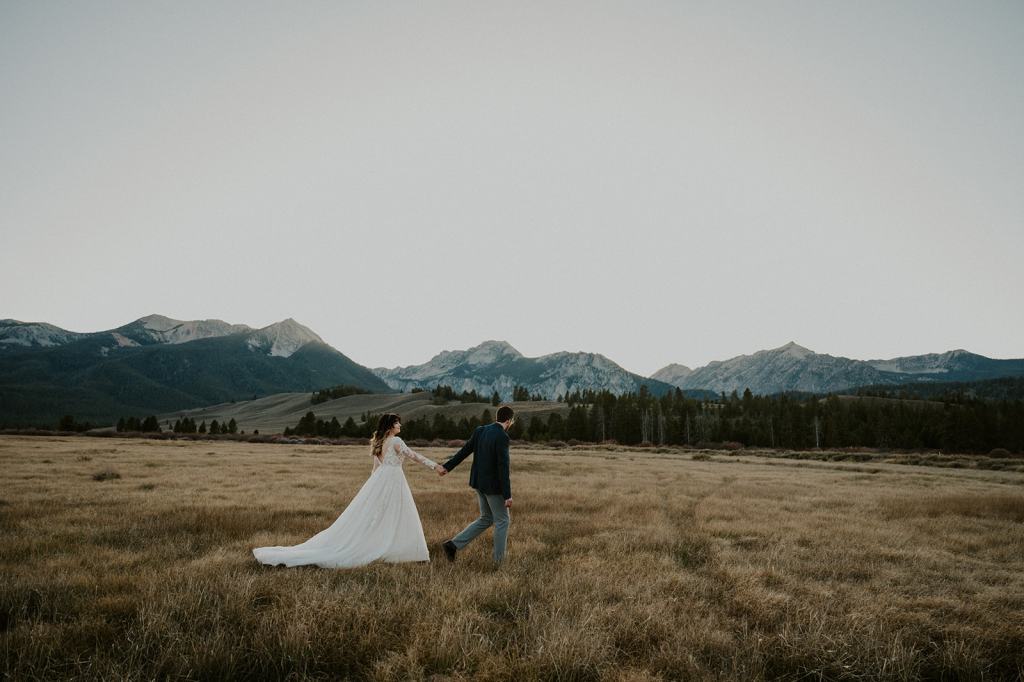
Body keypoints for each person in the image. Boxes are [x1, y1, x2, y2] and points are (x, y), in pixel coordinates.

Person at [253, 413, 446, 568]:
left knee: (382, 515)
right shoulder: (396, 441)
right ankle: (401, 550)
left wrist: (372, 489)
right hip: (393, 479)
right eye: (397, 423)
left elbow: (375, 469)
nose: (400, 426)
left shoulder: (379, 442)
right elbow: (415, 456)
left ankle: (395, 548)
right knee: (397, 514)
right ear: (390, 426)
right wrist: (435, 466)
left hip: (380, 481)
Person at [440, 405, 514, 565]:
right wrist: (507, 495)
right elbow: (503, 467)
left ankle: (452, 545)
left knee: (487, 518)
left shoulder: (481, 430)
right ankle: (498, 562)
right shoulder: (502, 436)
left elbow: (464, 451)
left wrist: (447, 466)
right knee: (503, 521)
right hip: (493, 487)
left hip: (478, 483)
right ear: (509, 421)